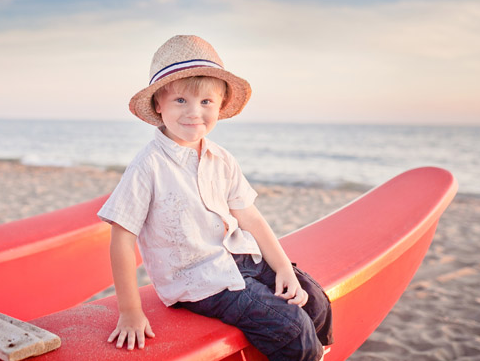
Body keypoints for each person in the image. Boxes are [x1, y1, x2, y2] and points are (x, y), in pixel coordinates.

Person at [97, 35, 333, 360]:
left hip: (239, 257)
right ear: (158, 105)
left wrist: (283, 269)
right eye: (181, 100)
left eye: (206, 102)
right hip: (197, 279)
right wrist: (130, 312)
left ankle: (318, 354)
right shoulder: (147, 166)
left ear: (220, 107)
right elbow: (122, 240)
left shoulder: (221, 158)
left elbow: (250, 217)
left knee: (314, 299)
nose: (195, 113)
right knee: (290, 325)